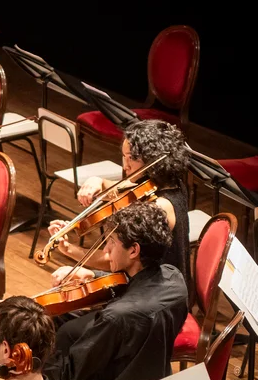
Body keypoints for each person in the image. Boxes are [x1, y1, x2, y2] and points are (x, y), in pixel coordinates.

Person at [44, 201, 188, 380]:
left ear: (134, 250)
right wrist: (94, 274)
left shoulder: (116, 317)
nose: (106, 250)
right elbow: (135, 287)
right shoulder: (174, 279)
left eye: (111, 243)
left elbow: (69, 373)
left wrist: (35, 358)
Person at [48, 119, 190, 284]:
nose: (125, 166)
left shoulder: (159, 207)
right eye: (124, 157)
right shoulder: (170, 181)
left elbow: (114, 260)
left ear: (152, 159)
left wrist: (69, 250)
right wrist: (98, 182)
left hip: (156, 290)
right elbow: (123, 190)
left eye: (130, 158)